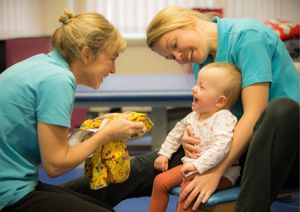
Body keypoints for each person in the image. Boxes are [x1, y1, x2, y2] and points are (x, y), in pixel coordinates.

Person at [63, 6, 299, 212]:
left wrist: (214, 172)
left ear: (187, 21)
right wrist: (192, 133)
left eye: (174, 45)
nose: (179, 56)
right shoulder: (202, 62)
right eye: (171, 57)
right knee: (146, 166)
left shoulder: (248, 37)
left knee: (281, 110)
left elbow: (254, 115)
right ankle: (54, 198)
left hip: (284, 152)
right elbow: (209, 116)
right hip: (234, 150)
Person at [0, 10, 146, 212]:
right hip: (7, 192)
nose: (113, 69)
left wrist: (95, 128)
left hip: (14, 182)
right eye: (112, 58)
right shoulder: (59, 80)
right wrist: (106, 134)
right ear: (86, 54)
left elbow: (48, 142)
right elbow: (56, 165)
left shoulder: (43, 65)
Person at [149, 62, 242, 212]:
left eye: (201, 87)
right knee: (160, 182)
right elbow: (176, 133)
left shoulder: (224, 118)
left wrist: (196, 166)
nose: (194, 89)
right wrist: (164, 154)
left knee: (188, 190)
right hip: (192, 167)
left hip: (222, 172)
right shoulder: (194, 115)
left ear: (220, 101)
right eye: (196, 84)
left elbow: (222, 147)